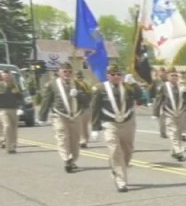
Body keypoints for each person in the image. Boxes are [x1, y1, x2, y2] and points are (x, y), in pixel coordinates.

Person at [90, 64, 143, 192]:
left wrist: (135, 84)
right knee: (114, 150)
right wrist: (95, 127)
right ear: (108, 75)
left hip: (127, 122)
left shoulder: (128, 87)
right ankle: (121, 181)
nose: (116, 77)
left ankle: (116, 168)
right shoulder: (100, 88)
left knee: (128, 151)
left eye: (119, 74)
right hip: (110, 123)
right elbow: (95, 108)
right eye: (113, 74)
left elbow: (140, 98)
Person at [39, 63, 91, 171]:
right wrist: (42, 117)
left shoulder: (78, 84)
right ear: (59, 72)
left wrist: (78, 94)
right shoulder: (52, 84)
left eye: (69, 71)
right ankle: (66, 159)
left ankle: (72, 160)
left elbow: (87, 100)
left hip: (75, 115)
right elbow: (46, 101)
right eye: (64, 71)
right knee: (62, 138)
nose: (67, 74)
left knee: (74, 140)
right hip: (60, 115)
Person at [153, 66, 186, 161]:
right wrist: (155, 113)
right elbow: (159, 100)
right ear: (168, 77)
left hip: (180, 112)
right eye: (172, 75)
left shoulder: (182, 86)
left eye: (176, 75)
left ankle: (175, 152)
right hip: (169, 112)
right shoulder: (164, 86)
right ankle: (179, 151)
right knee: (173, 132)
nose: (174, 77)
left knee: (179, 133)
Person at [0, 70, 21, 153]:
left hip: (13, 108)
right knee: (7, 126)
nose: (6, 77)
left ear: (11, 76)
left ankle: (13, 144)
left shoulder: (14, 86)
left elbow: (19, 96)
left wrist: (15, 91)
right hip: (3, 109)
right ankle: (9, 147)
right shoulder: (1, 85)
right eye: (5, 76)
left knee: (14, 128)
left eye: (8, 76)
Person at [150, 66, 169, 139]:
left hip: (167, 101)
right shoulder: (156, 81)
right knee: (161, 118)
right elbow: (151, 90)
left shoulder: (167, 81)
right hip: (159, 102)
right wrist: (151, 99)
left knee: (168, 118)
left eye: (163, 71)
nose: (162, 73)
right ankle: (163, 132)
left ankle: (167, 131)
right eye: (160, 71)